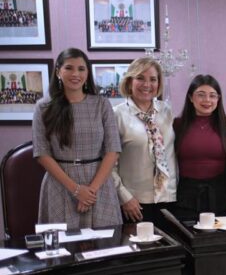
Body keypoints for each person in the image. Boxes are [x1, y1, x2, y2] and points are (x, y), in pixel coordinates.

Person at [32, 48, 122, 230]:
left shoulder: (101, 104)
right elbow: (42, 154)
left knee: (106, 242)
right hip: (60, 184)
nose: (75, 74)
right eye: (69, 68)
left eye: (81, 69)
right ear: (58, 71)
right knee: (61, 245)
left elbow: (113, 150)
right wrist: (76, 190)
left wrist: (90, 191)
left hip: (99, 184)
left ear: (87, 73)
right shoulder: (43, 107)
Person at [113, 57, 177, 228]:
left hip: (169, 198)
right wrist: (124, 197)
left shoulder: (166, 111)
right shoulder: (116, 115)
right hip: (135, 203)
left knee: (170, 245)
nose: (147, 84)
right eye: (140, 78)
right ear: (129, 81)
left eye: (153, 79)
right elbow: (108, 164)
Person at [173, 74, 226, 220]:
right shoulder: (177, 125)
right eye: (201, 95)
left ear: (218, 99)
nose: (207, 100)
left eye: (212, 95)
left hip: (220, 196)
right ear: (190, 98)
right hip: (185, 196)